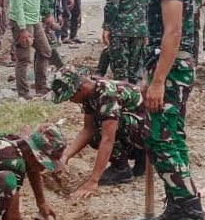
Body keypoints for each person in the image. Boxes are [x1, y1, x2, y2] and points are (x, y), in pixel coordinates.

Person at [125, 0, 205, 220]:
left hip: (174, 71)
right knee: (166, 136)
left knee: (162, 139)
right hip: (168, 69)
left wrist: (159, 81)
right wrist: (151, 75)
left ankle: (193, 216)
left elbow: (172, 33)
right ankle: (176, 207)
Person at [51, 67, 147, 198]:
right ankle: (140, 158)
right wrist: (65, 157)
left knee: (105, 126)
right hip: (138, 131)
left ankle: (121, 168)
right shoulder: (90, 95)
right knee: (96, 133)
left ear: (80, 89)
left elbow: (108, 139)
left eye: (70, 96)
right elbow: (88, 130)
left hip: (148, 132)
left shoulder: (107, 94)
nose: (70, 100)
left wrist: (93, 181)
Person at [102, 0, 152, 84]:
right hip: (140, 30)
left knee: (120, 73)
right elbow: (151, 4)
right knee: (135, 72)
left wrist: (107, 27)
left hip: (120, 30)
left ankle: (121, 99)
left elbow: (113, 4)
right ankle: (134, 100)